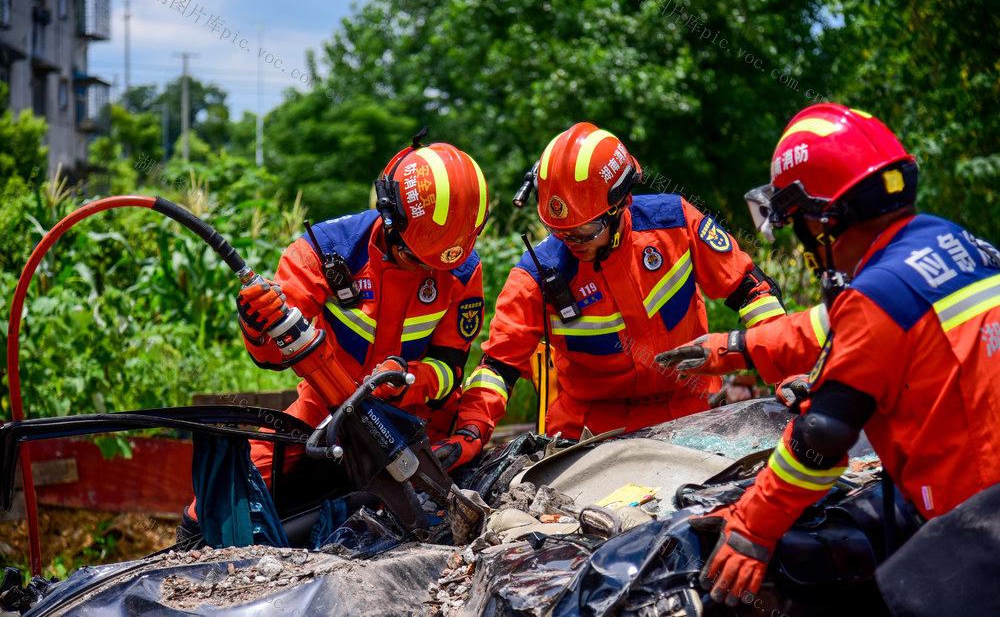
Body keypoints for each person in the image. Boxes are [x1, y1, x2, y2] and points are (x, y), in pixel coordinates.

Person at [682, 103, 1000, 609]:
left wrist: (750, 529)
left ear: (824, 223)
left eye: (797, 225)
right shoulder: (952, 242)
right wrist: (734, 347)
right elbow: (832, 326)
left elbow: (821, 438)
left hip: (978, 526)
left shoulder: (875, 298)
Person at [180, 133, 495, 541]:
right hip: (326, 405)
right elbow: (272, 355)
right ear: (389, 217)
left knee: (424, 523)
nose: (423, 269)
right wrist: (257, 325)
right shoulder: (325, 252)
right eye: (412, 257)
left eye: (435, 262)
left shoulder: (461, 269)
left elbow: (451, 367)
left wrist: (408, 380)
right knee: (215, 505)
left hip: (415, 421)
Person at [460, 122, 787, 440]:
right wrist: (471, 429)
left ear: (621, 203)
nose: (572, 242)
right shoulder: (535, 276)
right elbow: (498, 366)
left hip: (688, 413)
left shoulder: (676, 224)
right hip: (588, 432)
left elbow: (751, 291)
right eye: (559, 231)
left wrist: (788, 371)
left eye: (585, 230)